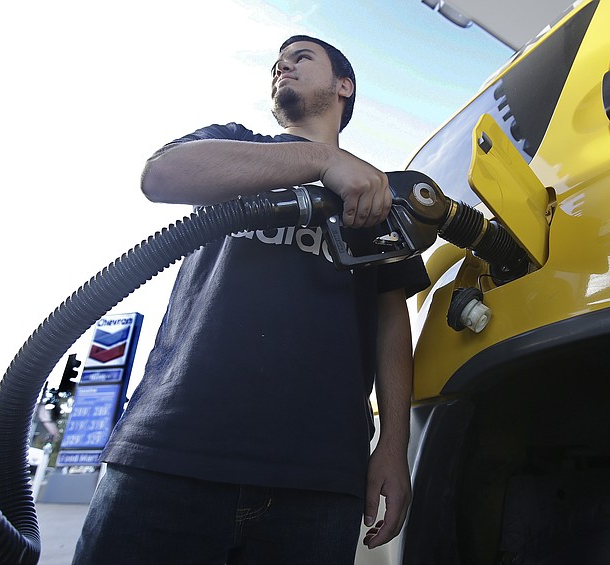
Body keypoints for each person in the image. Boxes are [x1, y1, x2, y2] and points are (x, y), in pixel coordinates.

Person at [72, 35, 429, 565]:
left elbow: (391, 321)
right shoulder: (235, 145)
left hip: (320, 475)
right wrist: (321, 160)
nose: (282, 65)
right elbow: (162, 175)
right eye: (277, 64)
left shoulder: (377, 192)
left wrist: (394, 447)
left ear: (343, 86)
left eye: (301, 58)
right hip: (173, 449)